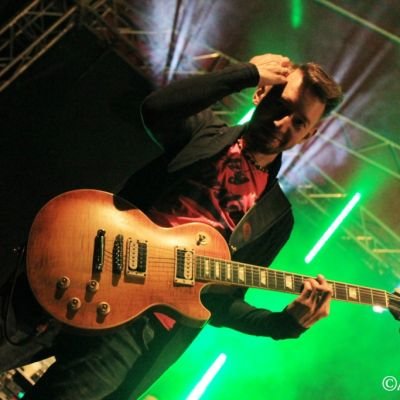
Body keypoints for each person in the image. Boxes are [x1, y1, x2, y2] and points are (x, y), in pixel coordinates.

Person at [0, 53, 342, 399]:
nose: (282, 123)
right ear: (260, 93)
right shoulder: (205, 133)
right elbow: (156, 108)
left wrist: (286, 323)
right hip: (80, 264)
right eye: (281, 105)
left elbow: (222, 303)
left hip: (135, 331)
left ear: (309, 134)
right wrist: (246, 73)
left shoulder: (276, 218)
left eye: (299, 122)